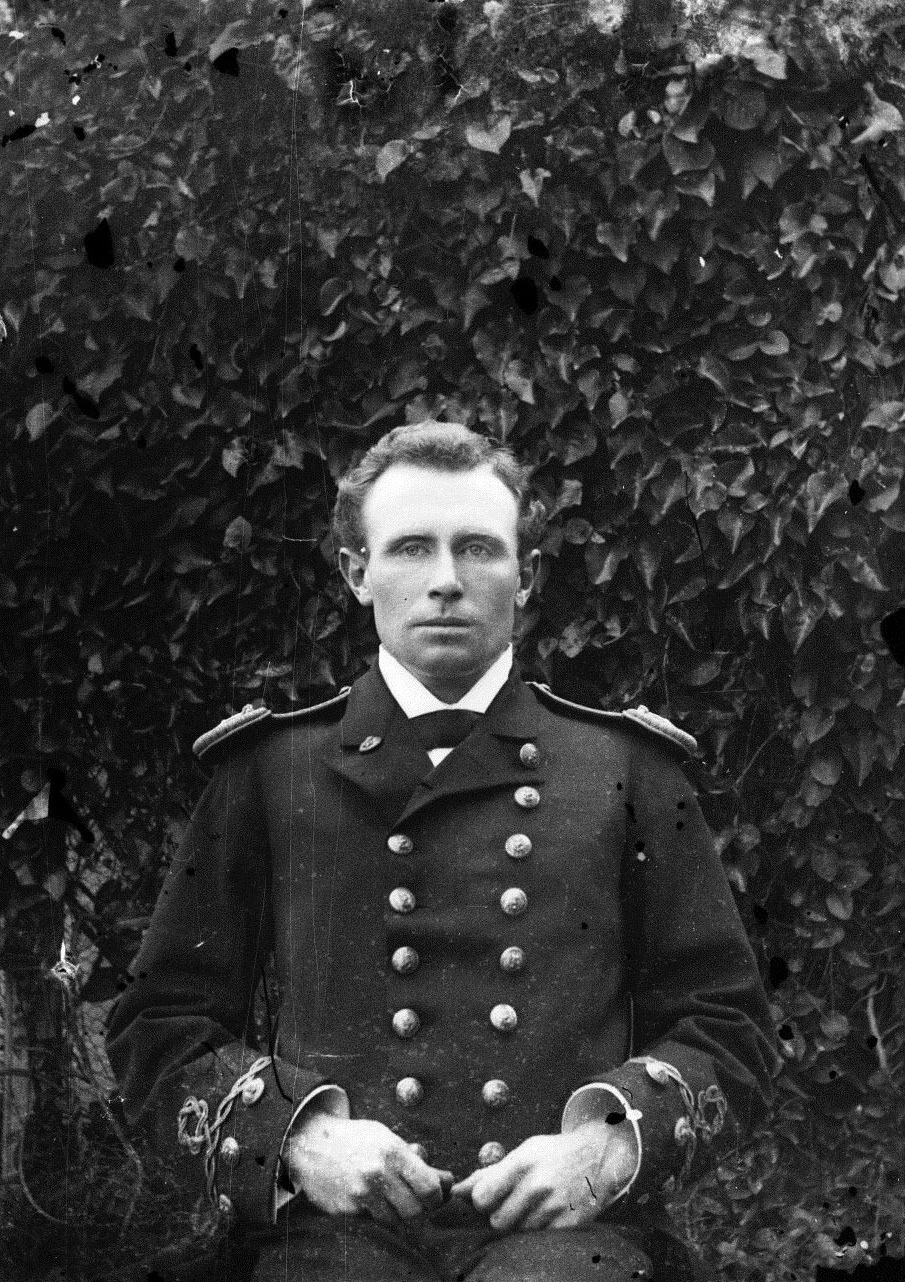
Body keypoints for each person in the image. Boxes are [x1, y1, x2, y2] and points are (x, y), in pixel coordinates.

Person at [105, 421, 778, 1282]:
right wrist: (298, 1138)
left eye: (478, 550)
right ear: (358, 573)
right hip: (327, 1231)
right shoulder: (271, 771)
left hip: (570, 1236)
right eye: (412, 549)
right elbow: (159, 1022)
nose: (447, 583)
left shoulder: (628, 770)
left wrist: (608, 1146)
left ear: (525, 577)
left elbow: (728, 1024)